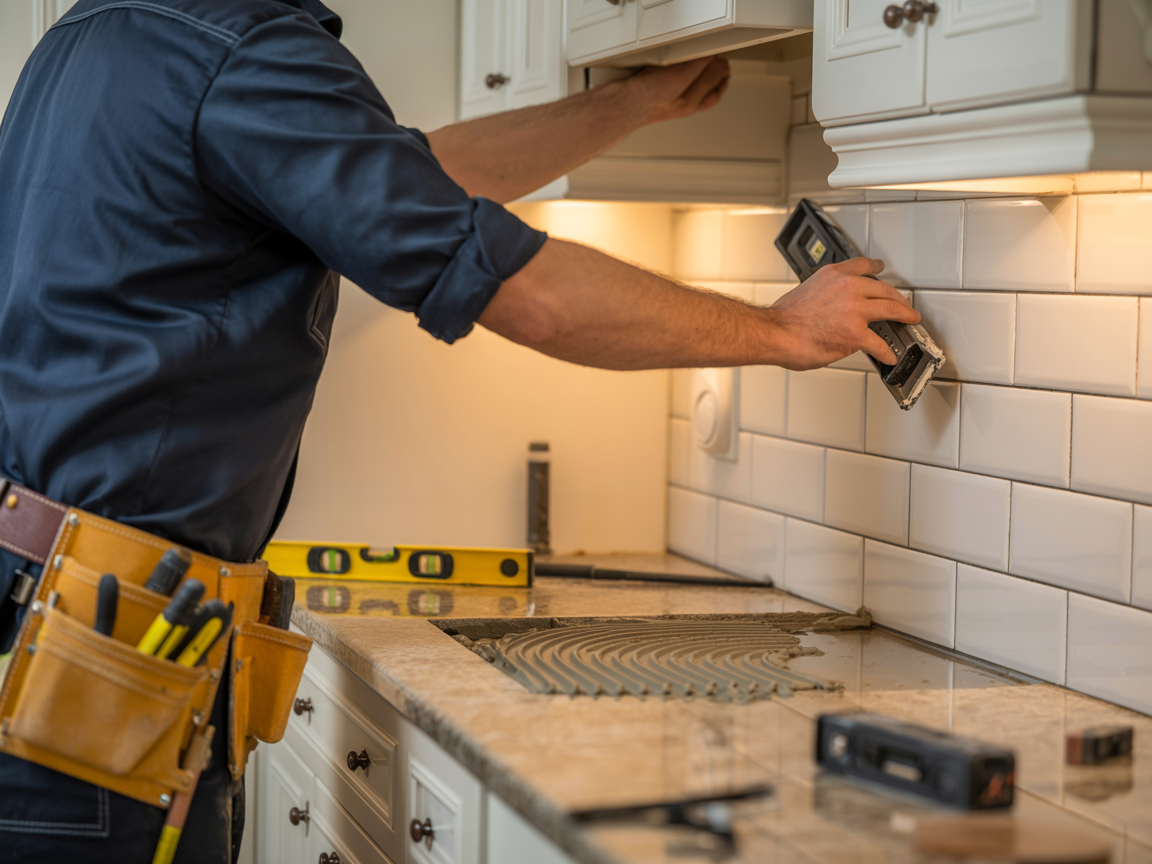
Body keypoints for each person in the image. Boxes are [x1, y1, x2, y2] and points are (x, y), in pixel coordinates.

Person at [0, 0, 919, 860]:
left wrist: (627, 106)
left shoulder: (101, 31)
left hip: (49, 610)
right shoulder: (243, 52)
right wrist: (781, 330)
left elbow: (412, 174)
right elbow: (532, 295)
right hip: (104, 654)